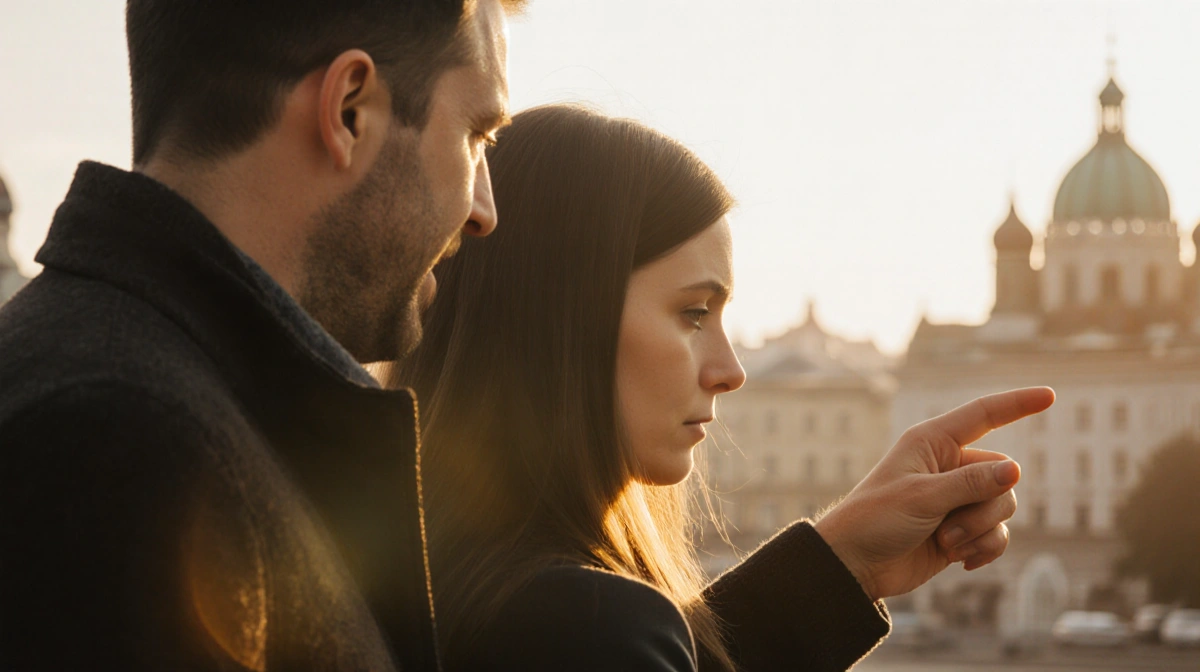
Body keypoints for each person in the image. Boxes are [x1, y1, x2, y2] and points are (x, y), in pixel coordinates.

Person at [386, 105, 1055, 671]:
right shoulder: (586, 623)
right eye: (694, 314)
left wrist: (844, 562)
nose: (731, 370)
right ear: (563, 317)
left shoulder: (410, 567)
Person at [0, 1, 522, 669]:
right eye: (477, 136)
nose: (485, 211)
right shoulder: (121, 446)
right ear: (349, 111)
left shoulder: (141, 406)